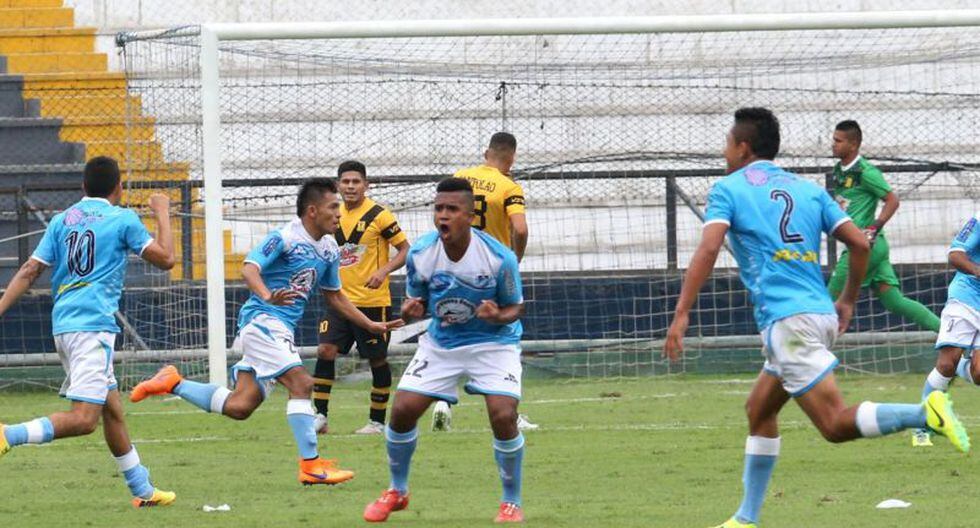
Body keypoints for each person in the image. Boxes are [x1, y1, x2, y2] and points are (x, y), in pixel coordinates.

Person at [664, 108, 969, 528]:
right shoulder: (808, 190)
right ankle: (746, 518)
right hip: (820, 316)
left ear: (743, 148)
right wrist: (847, 300)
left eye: (727, 143)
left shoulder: (728, 189)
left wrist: (682, 313)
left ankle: (925, 414)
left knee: (833, 424)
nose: (724, 151)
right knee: (759, 410)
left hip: (788, 323)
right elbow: (859, 243)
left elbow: (709, 248)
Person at [130, 178, 401, 486]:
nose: (339, 213)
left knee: (240, 406)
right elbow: (249, 268)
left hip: (279, 329)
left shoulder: (328, 248)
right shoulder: (285, 237)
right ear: (313, 211)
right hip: (262, 322)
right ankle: (311, 466)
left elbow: (335, 296)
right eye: (333, 206)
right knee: (302, 383)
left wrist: (370, 325)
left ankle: (173, 382)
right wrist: (268, 295)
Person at [0, 156, 177, 507]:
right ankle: (8, 433)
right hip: (93, 328)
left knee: (113, 411)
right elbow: (166, 259)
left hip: (64, 326)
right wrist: (162, 212)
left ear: (83, 187)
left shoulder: (63, 219)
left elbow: (30, 270)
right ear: (119, 188)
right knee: (84, 420)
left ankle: (143, 491)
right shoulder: (122, 219)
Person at [363, 178, 527, 523]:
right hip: (443, 343)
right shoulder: (421, 253)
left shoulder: (499, 257)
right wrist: (411, 309)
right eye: (438, 208)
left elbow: (516, 307)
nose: (443, 215)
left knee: (502, 415)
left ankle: (510, 502)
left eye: (452, 209)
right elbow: (418, 299)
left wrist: (498, 314)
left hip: (493, 343)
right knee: (402, 409)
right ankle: (397, 490)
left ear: (470, 216)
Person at [827, 120, 942, 447]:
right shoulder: (839, 171)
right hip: (869, 247)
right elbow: (845, 204)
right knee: (894, 301)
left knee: (826, 300)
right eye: (833, 139)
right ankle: (949, 332)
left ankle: (809, 363)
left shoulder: (866, 171)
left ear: (853, 144)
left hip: (865, 248)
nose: (833, 144)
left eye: (838, 140)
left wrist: (874, 227)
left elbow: (892, 200)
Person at [444, 132, 536, 432]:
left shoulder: (460, 177)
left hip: (455, 267)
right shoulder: (509, 187)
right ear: (512, 158)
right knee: (505, 339)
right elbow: (520, 229)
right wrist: (514, 259)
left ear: (486, 153)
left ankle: (443, 401)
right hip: (491, 272)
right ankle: (510, 413)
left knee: (451, 332)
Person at [312, 160, 409, 436]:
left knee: (377, 360)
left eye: (356, 182)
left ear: (366, 185)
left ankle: (377, 421)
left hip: (372, 302)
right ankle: (320, 416)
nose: (351, 186)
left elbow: (405, 250)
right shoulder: (332, 214)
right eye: (346, 181)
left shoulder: (380, 215)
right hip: (339, 301)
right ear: (338, 185)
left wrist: (383, 270)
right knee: (325, 350)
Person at [916, 214, 980, 444]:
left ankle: (961, 367)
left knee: (979, 373)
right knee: (946, 364)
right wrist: (977, 270)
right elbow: (955, 254)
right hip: (965, 297)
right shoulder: (978, 220)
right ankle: (923, 425)